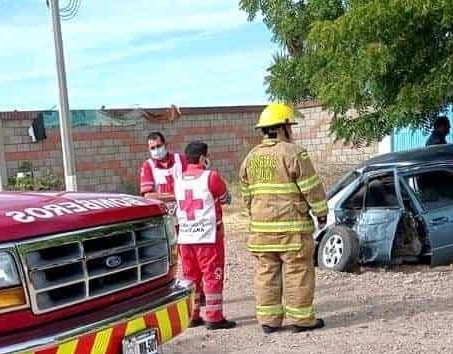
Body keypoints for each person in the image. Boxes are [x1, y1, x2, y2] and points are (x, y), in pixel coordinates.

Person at [239, 102, 328, 334]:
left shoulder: (251, 158)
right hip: (292, 231)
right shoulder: (294, 153)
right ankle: (301, 320)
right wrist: (321, 213)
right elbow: (311, 187)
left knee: (266, 273)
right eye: (291, 126)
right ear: (282, 128)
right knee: (298, 271)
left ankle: (269, 321)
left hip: (261, 231)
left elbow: (247, 196)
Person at [172, 141, 237, 330]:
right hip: (208, 237)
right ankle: (214, 317)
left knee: (191, 277)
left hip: (186, 237)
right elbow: (226, 198)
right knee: (212, 275)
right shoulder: (211, 177)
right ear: (203, 158)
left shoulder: (179, 179)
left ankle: (192, 315)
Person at [139, 131, 186, 213]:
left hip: (184, 209)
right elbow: (148, 196)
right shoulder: (148, 166)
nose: (156, 150)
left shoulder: (180, 159)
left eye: (158, 146)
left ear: (165, 144)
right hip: (163, 213)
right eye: (152, 148)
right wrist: (176, 196)